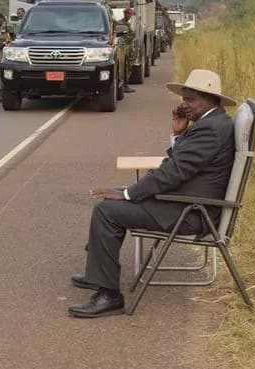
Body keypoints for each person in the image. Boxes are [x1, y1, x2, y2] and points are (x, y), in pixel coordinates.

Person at [68, 69, 238, 318]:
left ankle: (109, 295)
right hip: (186, 203)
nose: (184, 104)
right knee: (113, 201)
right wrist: (179, 133)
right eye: (184, 98)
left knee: (107, 211)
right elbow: (182, 165)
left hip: (190, 211)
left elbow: (173, 173)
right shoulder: (214, 123)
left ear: (209, 99)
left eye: (190, 99)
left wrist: (129, 193)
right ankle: (99, 275)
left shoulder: (211, 129)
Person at [118, 7, 136, 93]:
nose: (128, 15)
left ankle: (125, 85)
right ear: (124, 14)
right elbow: (122, 37)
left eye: (130, 14)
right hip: (124, 49)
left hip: (128, 50)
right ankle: (124, 86)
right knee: (125, 68)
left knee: (128, 67)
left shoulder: (127, 24)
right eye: (127, 14)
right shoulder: (121, 23)